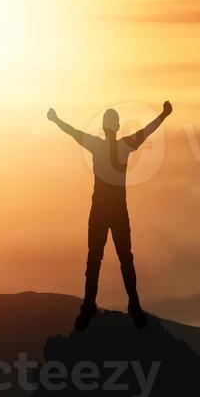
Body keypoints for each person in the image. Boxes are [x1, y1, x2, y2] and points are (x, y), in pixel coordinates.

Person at [47, 101, 172, 330]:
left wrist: (56, 120)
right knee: (125, 258)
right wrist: (163, 115)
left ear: (104, 129)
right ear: (116, 128)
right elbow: (146, 131)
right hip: (117, 212)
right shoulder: (125, 145)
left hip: (100, 211)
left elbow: (74, 132)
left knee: (95, 258)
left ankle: (90, 307)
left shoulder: (96, 145)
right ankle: (132, 306)